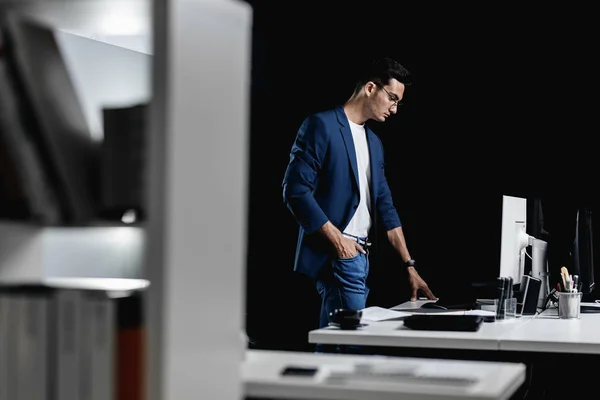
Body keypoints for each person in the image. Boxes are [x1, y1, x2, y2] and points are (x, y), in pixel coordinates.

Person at [282, 57, 437, 352]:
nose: (394, 109)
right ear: (370, 88)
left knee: (335, 347)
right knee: (351, 348)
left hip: (362, 256)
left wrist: (409, 265)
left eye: (398, 103)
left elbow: (385, 206)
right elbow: (295, 190)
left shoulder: (374, 143)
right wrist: (338, 241)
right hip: (341, 254)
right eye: (392, 98)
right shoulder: (321, 125)